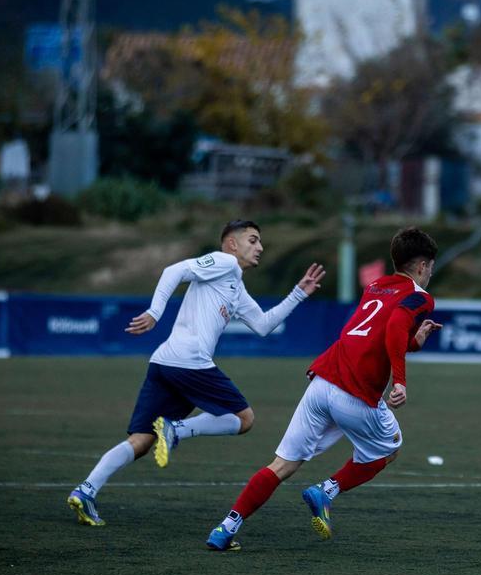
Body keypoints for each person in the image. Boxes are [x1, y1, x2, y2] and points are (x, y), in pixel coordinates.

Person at [67, 220, 325, 526]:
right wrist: (154, 312)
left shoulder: (236, 285)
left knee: (142, 440)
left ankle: (86, 491)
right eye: (253, 240)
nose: (260, 247)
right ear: (232, 244)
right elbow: (173, 271)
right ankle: (176, 430)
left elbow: (263, 325)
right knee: (244, 419)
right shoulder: (224, 262)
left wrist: (298, 293)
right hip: (189, 361)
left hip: (165, 363)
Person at [206, 227, 442, 551]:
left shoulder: (375, 286)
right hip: (355, 391)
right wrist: (399, 380)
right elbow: (396, 326)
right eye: (431, 267)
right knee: (389, 449)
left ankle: (225, 528)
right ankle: (326, 491)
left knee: (282, 465)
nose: (431, 273)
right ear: (423, 266)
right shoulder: (421, 297)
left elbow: (374, 334)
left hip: (323, 380)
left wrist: (413, 342)